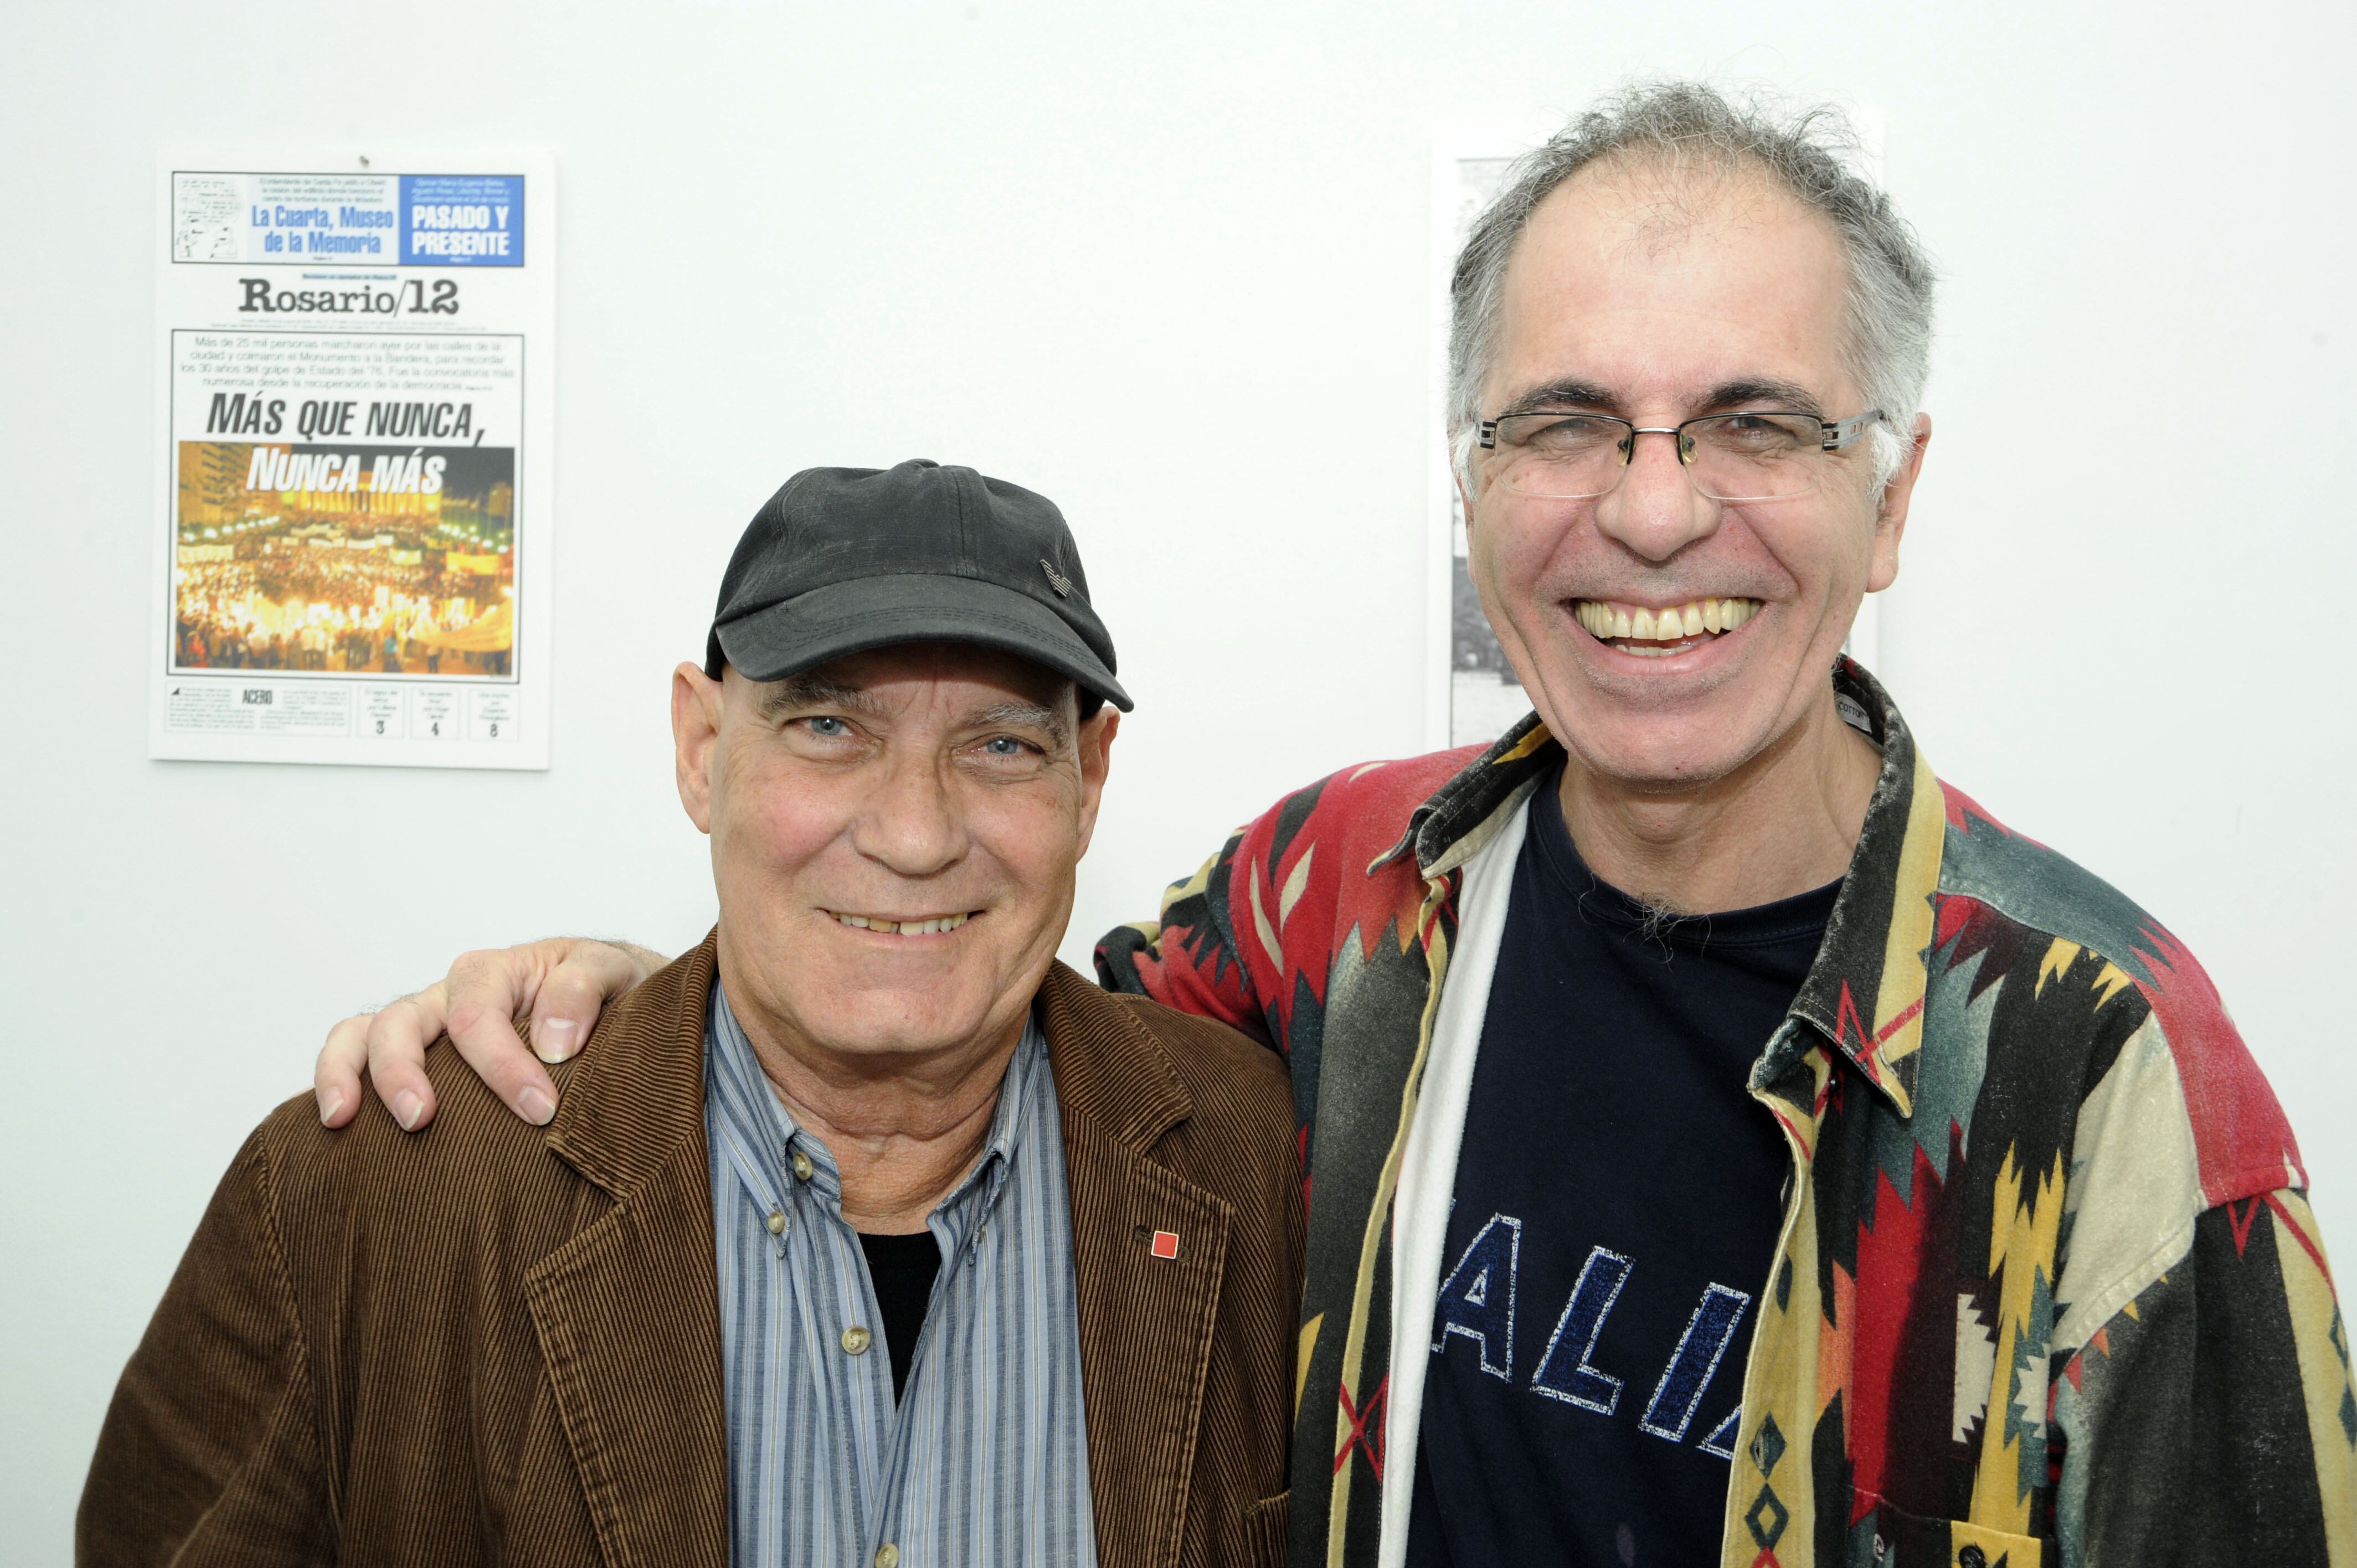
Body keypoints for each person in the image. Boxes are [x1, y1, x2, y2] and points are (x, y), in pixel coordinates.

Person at [313, 86, 2356, 1567]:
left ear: (1889, 497)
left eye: (1753, 423)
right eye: (1564, 423)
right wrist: (631, 1001)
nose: (1651, 511)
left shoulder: (2104, 1079)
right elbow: (955, 1033)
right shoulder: (1344, 902)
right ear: (1468, 492)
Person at [84, 461, 1302, 1567]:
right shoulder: (366, 1198)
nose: (917, 834)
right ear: (699, 746)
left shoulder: (1265, 1162)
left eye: (999, 746)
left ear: (1087, 782)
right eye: (830, 729)